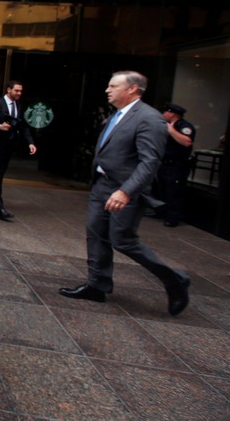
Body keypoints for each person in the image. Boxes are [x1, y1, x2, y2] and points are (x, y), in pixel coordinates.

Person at [60, 71, 190, 316]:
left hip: (124, 189)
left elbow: (149, 161)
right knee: (96, 234)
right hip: (102, 186)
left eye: (113, 86)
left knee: (123, 240)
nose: (107, 90)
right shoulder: (117, 116)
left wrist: (126, 192)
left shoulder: (150, 119)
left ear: (132, 89)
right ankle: (96, 285)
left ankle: (175, 280)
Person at [0, 80, 37, 221]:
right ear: (9, 90)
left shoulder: (19, 105)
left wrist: (30, 142)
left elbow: (23, 126)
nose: (19, 93)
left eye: (20, 91)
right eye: (16, 90)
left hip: (9, 145)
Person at [156, 103, 195, 227]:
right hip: (164, 164)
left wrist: (171, 130)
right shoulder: (165, 125)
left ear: (172, 113)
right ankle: (161, 212)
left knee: (174, 192)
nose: (163, 114)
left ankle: (173, 218)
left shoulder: (185, 126)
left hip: (177, 166)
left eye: (165, 112)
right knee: (163, 189)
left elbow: (187, 142)